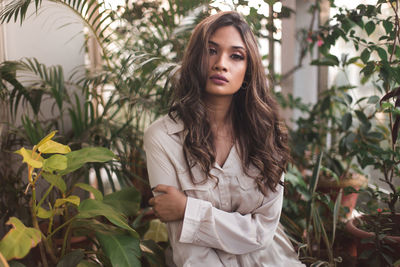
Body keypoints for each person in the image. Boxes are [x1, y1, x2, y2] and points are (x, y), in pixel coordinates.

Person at [144, 11, 304, 267]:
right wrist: (236, 226)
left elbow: (263, 232)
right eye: (211, 51)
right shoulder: (162, 138)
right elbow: (187, 247)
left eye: (236, 56)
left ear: (248, 69)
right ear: (197, 58)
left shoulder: (267, 134)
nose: (221, 63)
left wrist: (188, 210)